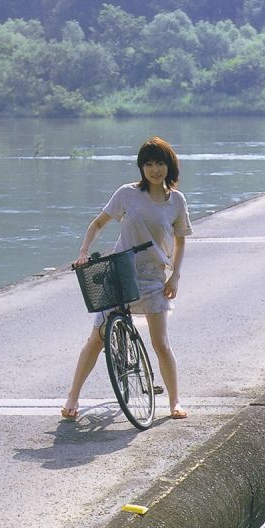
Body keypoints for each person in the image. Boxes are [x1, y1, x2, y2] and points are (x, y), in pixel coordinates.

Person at [62, 136, 192, 420]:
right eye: (148, 164)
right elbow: (98, 223)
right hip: (119, 271)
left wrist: (175, 277)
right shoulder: (127, 194)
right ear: (141, 168)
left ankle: (175, 402)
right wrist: (83, 251)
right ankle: (72, 399)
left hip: (153, 276)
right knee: (97, 338)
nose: (155, 169)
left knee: (161, 343)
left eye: (160, 163)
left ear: (169, 166)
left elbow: (181, 241)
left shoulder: (177, 201)